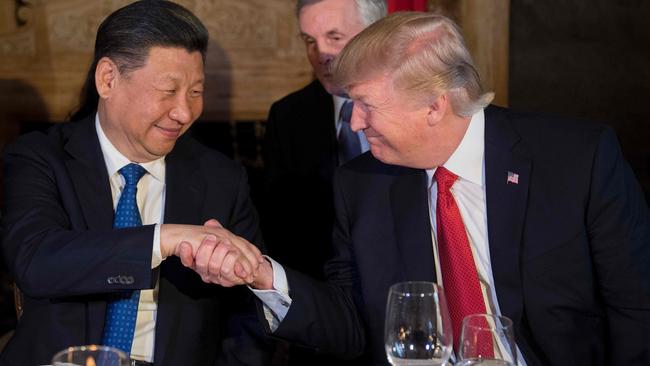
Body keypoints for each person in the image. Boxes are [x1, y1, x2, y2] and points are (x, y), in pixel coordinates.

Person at [201, 12, 650, 365]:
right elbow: (352, 323)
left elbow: (637, 311)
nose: (354, 122)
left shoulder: (578, 160)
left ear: (434, 107)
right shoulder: (362, 185)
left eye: (365, 105)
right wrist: (262, 273)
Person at [0, 2, 271, 365]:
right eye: (168, 90)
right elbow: (35, 260)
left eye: (195, 92)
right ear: (108, 79)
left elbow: (249, 316)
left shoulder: (222, 179)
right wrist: (165, 238)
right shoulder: (40, 157)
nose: (185, 113)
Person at [261, 0, 387, 282]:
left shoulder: (412, 106)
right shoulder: (287, 116)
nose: (321, 54)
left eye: (335, 37)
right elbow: (280, 227)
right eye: (309, 40)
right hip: (320, 283)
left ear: (375, 33)